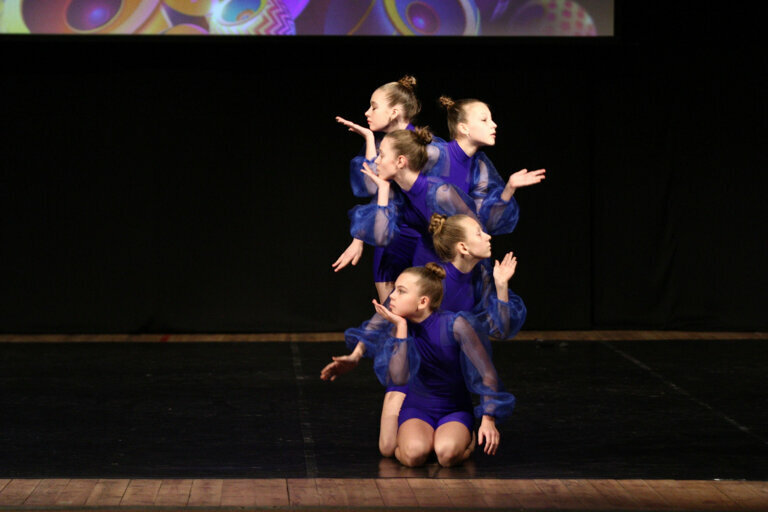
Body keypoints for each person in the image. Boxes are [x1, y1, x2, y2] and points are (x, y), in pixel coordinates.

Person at [364, 264, 515, 467]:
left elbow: (486, 373)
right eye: (395, 290)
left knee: (446, 455)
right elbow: (398, 377)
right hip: (417, 407)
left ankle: (464, 440)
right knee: (413, 455)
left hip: (454, 409)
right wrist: (400, 327)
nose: (392, 296)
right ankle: (423, 442)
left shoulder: (456, 325)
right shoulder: (400, 326)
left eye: (401, 291)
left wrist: (488, 419)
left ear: (422, 302)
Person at [332, 76, 444, 303]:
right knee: (389, 309)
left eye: (374, 107)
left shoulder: (427, 147)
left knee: (422, 308)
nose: (367, 112)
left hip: (423, 237)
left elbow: (440, 198)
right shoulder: (381, 143)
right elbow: (372, 187)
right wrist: (369, 139)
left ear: (394, 112)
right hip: (390, 235)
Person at [429, 213, 526, 340]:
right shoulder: (436, 281)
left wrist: (501, 285)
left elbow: (501, 330)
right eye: (479, 234)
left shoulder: (480, 274)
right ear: (463, 247)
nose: (488, 237)